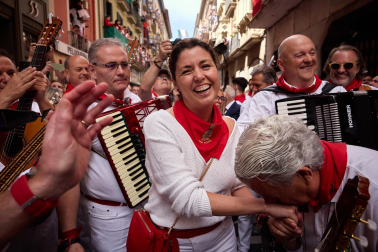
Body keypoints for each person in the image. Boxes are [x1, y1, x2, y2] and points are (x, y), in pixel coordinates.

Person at [142, 38, 298, 251]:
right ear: (175, 84)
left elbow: (236, 184)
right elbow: (189, 200)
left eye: (206, 66)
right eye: (187, 71)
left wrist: (267, 214)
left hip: (224, 238)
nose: (199, 76)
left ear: (217, 72)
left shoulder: (231, 126)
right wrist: (266, 206)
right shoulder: (159, 123)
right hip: (175, 242)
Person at [234, 114, 378, 252]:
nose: (269, 205)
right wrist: (289, 240)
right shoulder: (294, 180)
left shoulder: (374, 185)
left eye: (274, 195)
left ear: (304, 175)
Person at [0, 81, 113, 249]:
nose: (5, 78)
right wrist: (4, 99)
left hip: (44, 225)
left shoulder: (36, 111)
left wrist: (70, 235)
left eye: (11, 74)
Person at [58, 38, 141, 252]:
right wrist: (70, 236)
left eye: (124, 64)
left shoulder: (139, 103)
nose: (121, 71)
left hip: (148, 210)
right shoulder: (80, 110)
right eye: (112, 65)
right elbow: (68, 175)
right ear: (93, 71)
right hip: (108, 216)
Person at [237, 34, 346, 133]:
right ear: (281, 65)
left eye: (312, 53)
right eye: (300, 55)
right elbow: (243, 135)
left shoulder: (337, 93)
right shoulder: (264, 98)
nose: (309, 59)